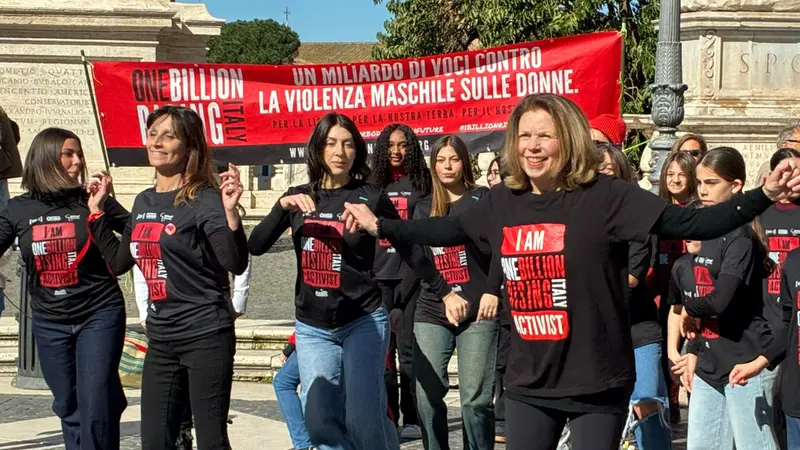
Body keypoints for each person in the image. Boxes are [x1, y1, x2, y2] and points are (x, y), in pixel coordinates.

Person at [340, 93, 800, 450]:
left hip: (597, 381)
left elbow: (692, 223)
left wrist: (762, 195)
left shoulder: (607, 196)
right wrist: (382, 225)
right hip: (529, 383)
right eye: (524, 135)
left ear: (570, 139)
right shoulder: (499, 202)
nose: (533, 146)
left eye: (545, 135)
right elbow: (444, 229)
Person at [247, 112, 451, 450]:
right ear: (318, 149)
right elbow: (256, 246)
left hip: (362, 321)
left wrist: (444, 291)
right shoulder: (298, 197)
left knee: (363, 417)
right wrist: (280, 207)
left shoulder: (370, 196)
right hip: (312, 328)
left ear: (357, 150)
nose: (339, 152)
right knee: (319, 420)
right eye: (331, 143)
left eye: (347, 144)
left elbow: (408, 246)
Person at [86, 105, 248, 450]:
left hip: (205, 334)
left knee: (211, 441)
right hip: (161, 338)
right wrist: (98, 214)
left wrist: (231, 214)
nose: (156, 142)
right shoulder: (143, 201)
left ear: (189, 147)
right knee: (155, 441)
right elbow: (118, 262)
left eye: (168, 136)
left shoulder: (205, 199)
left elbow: (234, 261)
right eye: (152, 134)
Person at [0, 127, 129, 449]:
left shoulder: (91, 199)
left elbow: (136, 234)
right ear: (45, 159)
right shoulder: (18, 209)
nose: (77, 161)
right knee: (67, 403)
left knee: (95, 398)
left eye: (79, 154)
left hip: (99, 313)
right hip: (48, 321)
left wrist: (99, 211)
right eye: (68, 154)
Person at [678, 147, 780, 450]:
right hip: (710, 361)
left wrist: (689, 309)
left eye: (712, 183)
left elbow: (719, 300)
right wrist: (693, 349)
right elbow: (701, 291)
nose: (702, 191)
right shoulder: (705, 232)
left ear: (736, 186)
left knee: (754, 446)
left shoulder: (740, 237)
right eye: (699, 182)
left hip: (745, 361)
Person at [410, 135, 498, 450]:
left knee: (475, 401)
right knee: (426, 393)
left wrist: (493, 290)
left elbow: (501, 247)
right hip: (433, 307)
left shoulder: (482, 199)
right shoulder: (422, 207)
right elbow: (418, 258)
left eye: (454, 159)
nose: (448, 166)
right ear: (433, 166)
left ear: (465, 162)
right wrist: (444, 293)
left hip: (478, 310)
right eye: (441, 160)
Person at [368, 124, 431, 438]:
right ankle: (388, 415)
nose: (396, 151)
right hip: (377, 278)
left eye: (403, 145)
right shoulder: (371, 184)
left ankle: (413, 418)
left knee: (407, 352)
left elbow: (425, 233)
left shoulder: (422, 183)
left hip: (410, 275)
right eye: (391, 145)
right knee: (383, 354)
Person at [655, 150, 698, 422]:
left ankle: (693, 411)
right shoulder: (657, 210)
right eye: (670, 174)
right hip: (661, 294)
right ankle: (669, 409)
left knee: (687, 354)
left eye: (682, 174)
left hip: (689, 295)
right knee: (663, 355)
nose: (675, 180)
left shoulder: (697, 211)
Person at [485, 155, 510, 443]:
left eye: (499, 172)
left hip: (520, 297)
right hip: (496, 297)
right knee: (501, 360)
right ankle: (500, 416)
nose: (494, 177)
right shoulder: (485, 207)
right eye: (492, 172)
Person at [274, 331, 316, 450]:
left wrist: (290, 347)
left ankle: (303, 443)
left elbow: (306, 323)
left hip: (313, 337)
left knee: (283, 383)